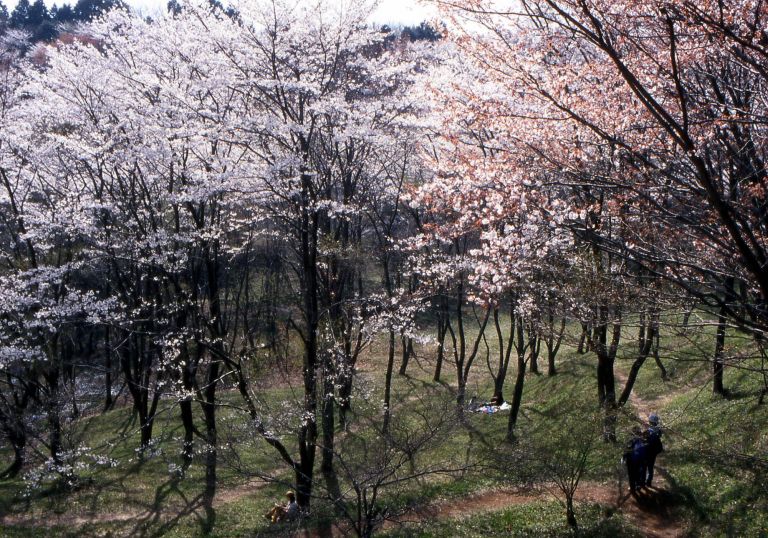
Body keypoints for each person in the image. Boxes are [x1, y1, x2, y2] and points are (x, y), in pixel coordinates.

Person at [624, 425, 647, 494]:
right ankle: (637, 485)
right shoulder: (642, 439)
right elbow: (644, 449)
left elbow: (626, 450)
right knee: (638, 473)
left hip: (632, 460)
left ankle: (633, 487)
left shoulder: (630, 440)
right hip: (639, 460)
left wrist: (624, 457)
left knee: (631, 474)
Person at [644, 413, 664, 488]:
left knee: (644, 467)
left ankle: (643, 481)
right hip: (654, 452)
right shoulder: (658, 429)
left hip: (647, 451)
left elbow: (644, 440)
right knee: (650, 467)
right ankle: (648, 482)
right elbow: (660, 436)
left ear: (650, 421)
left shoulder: (648, 430)